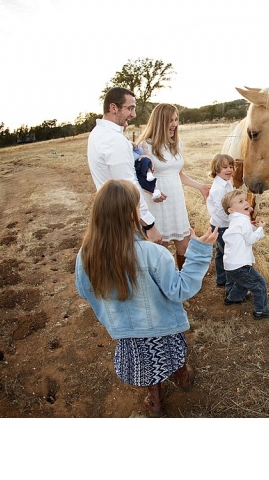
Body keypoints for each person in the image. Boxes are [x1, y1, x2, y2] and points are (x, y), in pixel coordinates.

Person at [75, 180, 218, 416]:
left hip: (128, 331)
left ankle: (156, 400)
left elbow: (84, 290)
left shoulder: (86, 255)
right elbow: (180, 290)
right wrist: (199, 251)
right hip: (163, 326)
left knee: (148, 366)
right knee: (172, 353)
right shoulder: (153, 253)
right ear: (131, 215)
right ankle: (183, 377)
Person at [135, 103, 210, 268]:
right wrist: (153, 191)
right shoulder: (144, 145)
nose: (175, 124)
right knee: (160, 246)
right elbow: (139, 178)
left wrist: (200, 186)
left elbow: (178, 174)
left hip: (176, 199)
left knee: (184, 245)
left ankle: (183, 281)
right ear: (160, 121)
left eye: (176, 120)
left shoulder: (177, 144)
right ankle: (162, 282)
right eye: (170, 120)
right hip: (155, 200)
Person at [87, 87, 164, 244]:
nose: (133, 114)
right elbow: (129, 185)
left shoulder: (97, 133)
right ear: (113, 108)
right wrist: (149, 225)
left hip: (107, 214)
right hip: (124, 219)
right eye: (130, 108)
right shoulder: (113, 140)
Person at [221, 189, 269, 319]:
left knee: (242, 282)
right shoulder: (243, 221)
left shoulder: (235, 220)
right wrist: (260, 229)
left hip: (230, 265)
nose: (246, 202)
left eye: (245, 200)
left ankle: (233, 298)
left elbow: (242, 234)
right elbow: (250, 239)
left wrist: (251, 227)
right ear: (231, 210)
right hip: (240, 265)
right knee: (259, 284)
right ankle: (260, 311)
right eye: (240, 201)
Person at [206, 153, 235, 290]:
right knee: (227, 254)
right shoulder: (218, 188)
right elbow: (220, 210)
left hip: (223, 224)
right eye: (225, 167)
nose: (229, 169)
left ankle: (221, 279)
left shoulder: (227, 184)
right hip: (221, 225)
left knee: (221, 252)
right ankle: (229, 284)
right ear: (216, 170)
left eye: (231, 166)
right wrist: (233, 219)